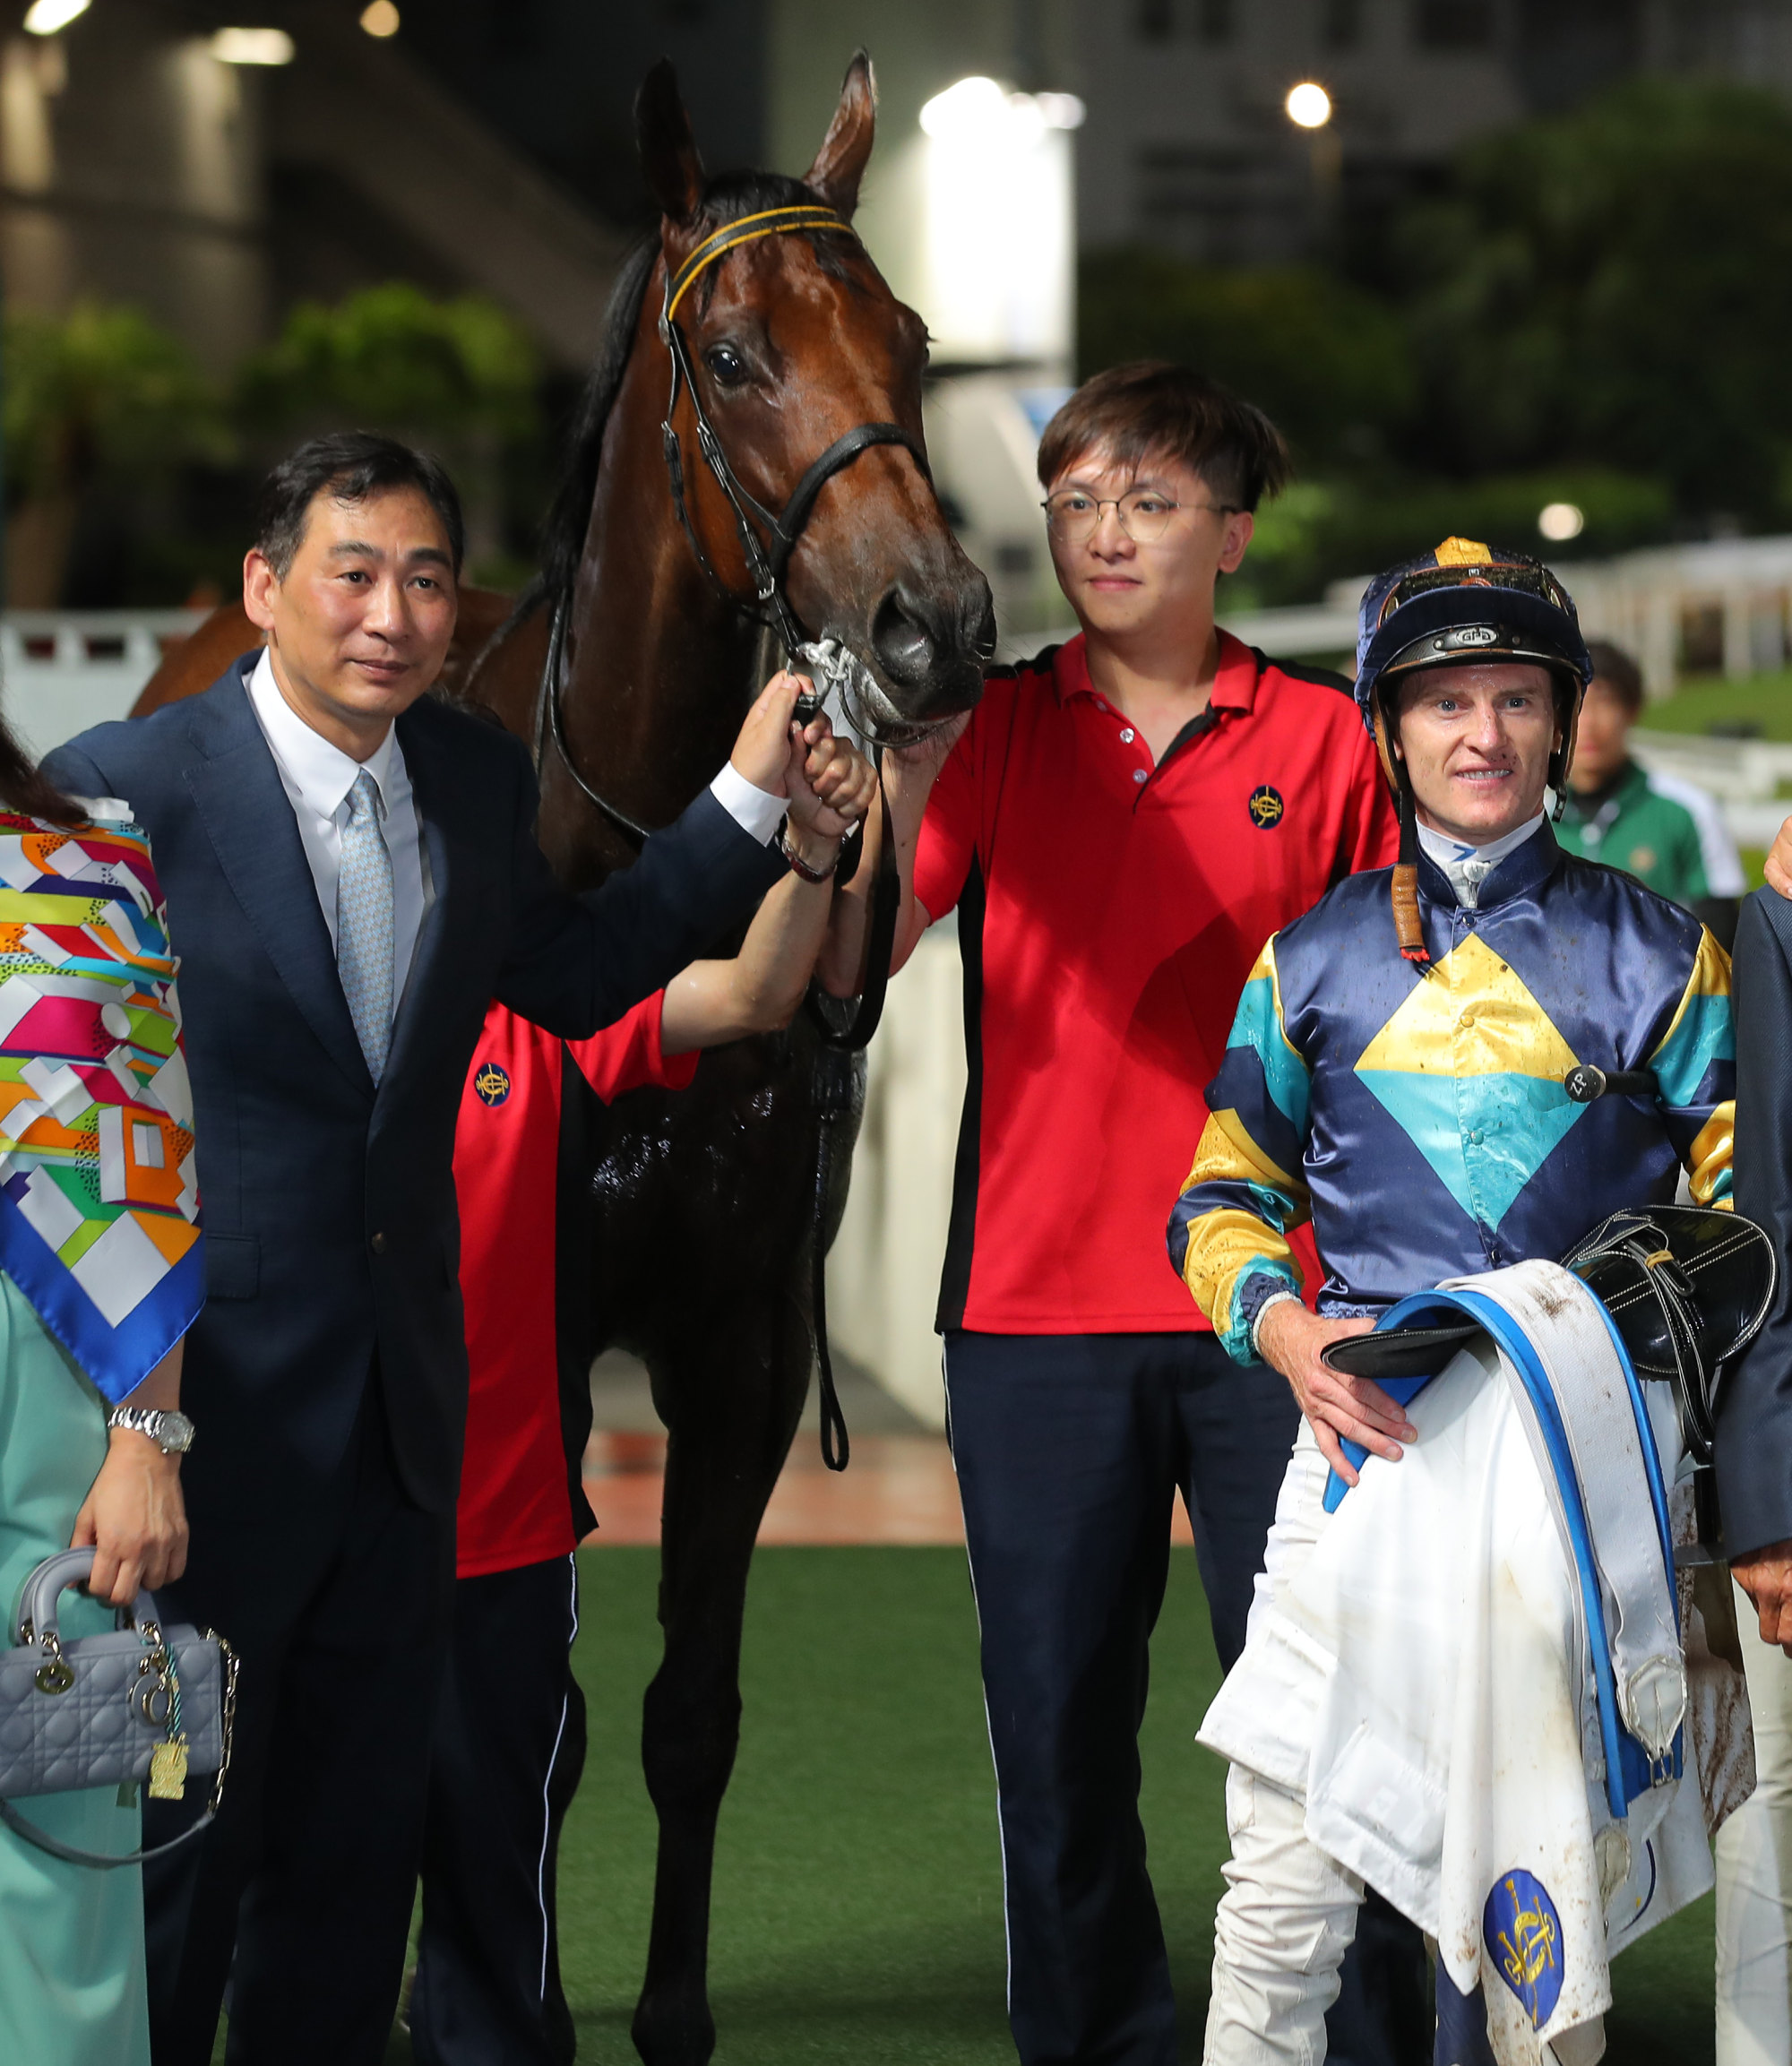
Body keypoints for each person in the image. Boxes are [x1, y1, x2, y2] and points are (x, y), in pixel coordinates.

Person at [38, 432, 836, 2066]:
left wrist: (753, 792)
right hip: (203, 1447)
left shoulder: (472, 779)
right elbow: (75, 1139)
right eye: (350, 571)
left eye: (421, 576)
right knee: (176, 1874)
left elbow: (582, 968)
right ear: (265, 589)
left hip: (414, 1441)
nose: (391, 612)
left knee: (345, 1881)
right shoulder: (125, 786)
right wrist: (138, 1428)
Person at [825, 360, 1408, 2065]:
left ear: (1233, 531)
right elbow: (857, 961)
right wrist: (878, 782)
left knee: (1325, 1718)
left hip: (1285, 1319)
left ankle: (1352, 2039)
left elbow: (1394, 1036)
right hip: (1032, 1320)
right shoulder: (992, 724)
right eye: (1074, 502)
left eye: (1149, 500)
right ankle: (1093, 2041)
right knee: (1056, 1731)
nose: (1104, 533)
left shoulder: (1325, 740)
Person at [1170, 538, 1737, 2062]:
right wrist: (1288, 1337)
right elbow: (1220, 1197)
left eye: (1512, 698)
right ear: (1391, 728)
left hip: (1578, 1479)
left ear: (1562, 718)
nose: (1480, 733)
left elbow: (1749, 1231)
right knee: (1281, 1889)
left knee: (1541, 1894)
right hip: (1357, 1460)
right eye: (1443, 702)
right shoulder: (1311, 958)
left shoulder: (1668, 953)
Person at [409, 704, 874, 2066]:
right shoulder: (300, 1030)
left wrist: (814, 848)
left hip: (501, 1527)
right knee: (314, 1860)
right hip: (340, 1520)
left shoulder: (541, 1019)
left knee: (500, 1859)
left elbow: (750, 996)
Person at [0, 736, 202, 2066]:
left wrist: (148, 1437)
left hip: (45, 1395)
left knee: (54, 1822)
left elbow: (151, 1168)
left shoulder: (79, 869)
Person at [1555, 636, 1745, 946]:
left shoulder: (1689, 809)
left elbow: (1722, 939)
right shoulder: (1529, 814)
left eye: (1604, 701)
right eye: (1575, 703)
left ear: (1632, 709)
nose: (1588, 722)